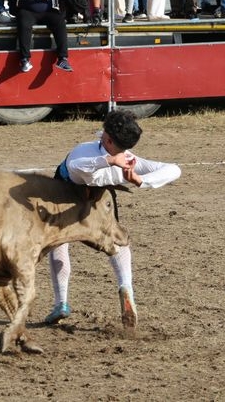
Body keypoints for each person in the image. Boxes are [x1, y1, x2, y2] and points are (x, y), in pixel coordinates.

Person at [46, 109, 181, 328]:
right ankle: (126, 286)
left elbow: (74, 166)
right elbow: (173, 170)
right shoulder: (128, 161)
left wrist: (109, 160)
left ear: (108, 138)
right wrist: (140, 180)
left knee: (58, 244)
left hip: (65, 200)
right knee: (119, 243)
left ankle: (61, 302)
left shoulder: (84, 150)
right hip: (98, 205)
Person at [13, 0, 71, 73]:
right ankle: (24, 59)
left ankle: (63, 59)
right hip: (28, 10)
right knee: (23, 21)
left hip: (47, 11)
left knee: (60, 20)